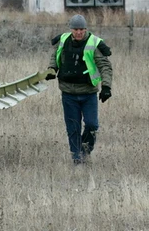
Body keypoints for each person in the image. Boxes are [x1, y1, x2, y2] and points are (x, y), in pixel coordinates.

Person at [46, 14, 113, 164]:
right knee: (73, 127)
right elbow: (55, 56)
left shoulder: (94, 43)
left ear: (85, 29)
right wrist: (51, 69)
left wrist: (106, 87)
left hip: (88, 93)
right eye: (76, 29)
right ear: (71, 29)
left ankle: (86, 150)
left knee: (92, 125)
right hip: (68, 93)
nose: (79, 32)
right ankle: (77, 157)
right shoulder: (63, 40)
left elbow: (105, 66)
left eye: (82, 29)